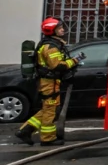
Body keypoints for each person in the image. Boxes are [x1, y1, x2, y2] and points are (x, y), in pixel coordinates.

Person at [15, 18, 77, 147]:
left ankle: (25, 130)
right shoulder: (51, 47)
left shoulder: (52, 43)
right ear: (52, 31)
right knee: (50, 111)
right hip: (49, 83)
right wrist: (74, 61)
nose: (63, 30)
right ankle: (48, 138)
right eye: (60, 28)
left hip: (50, 82)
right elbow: (57, 66)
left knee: (48, 108)